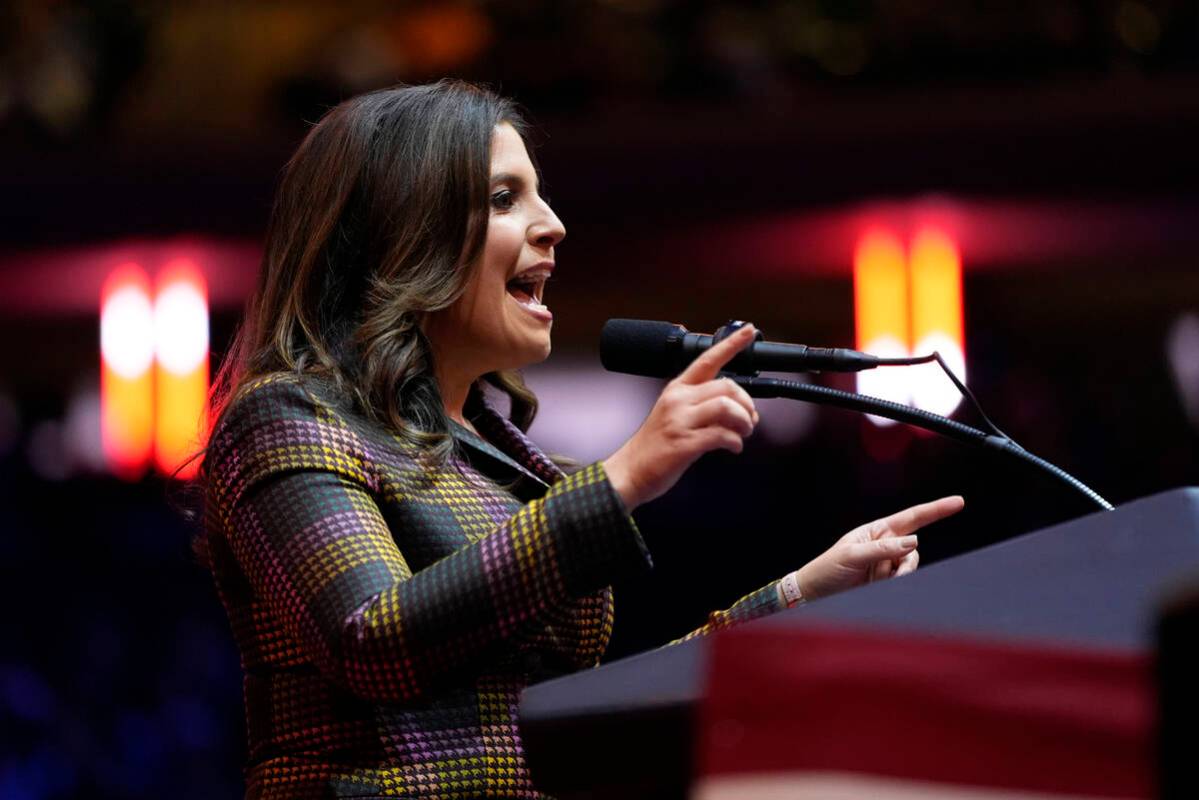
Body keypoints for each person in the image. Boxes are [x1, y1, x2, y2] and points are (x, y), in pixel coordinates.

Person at [199, 80, 964, 800]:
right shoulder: (285, 419)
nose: (553, 225)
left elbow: (587, 709)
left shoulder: (508, 461)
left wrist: (800, 597)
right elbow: (375, 642)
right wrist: (620, 478)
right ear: (401, 235)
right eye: (503, 199)